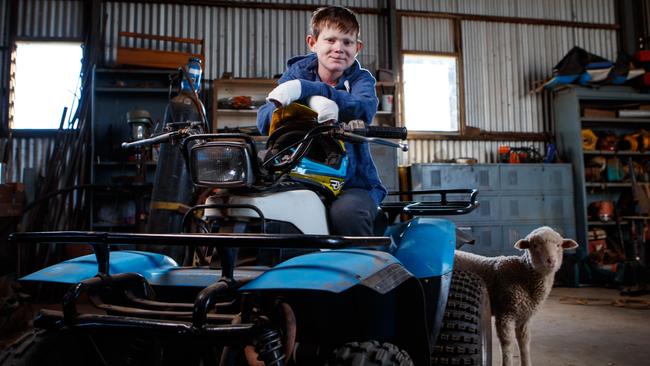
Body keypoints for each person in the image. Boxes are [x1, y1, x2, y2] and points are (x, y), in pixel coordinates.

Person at [256, 5, 386, 236]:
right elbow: (266, 118)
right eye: (330, 40)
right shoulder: (297, 72)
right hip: (301, 174)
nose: (339, 48)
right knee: (279, 212)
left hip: (352, 183)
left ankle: (362, 270)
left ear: (357, 48)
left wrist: (306, 91)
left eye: (347, 42)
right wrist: (308, 101)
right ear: (313, 43)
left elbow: (362, 109)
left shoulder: (361, 79)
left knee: (347, 214)